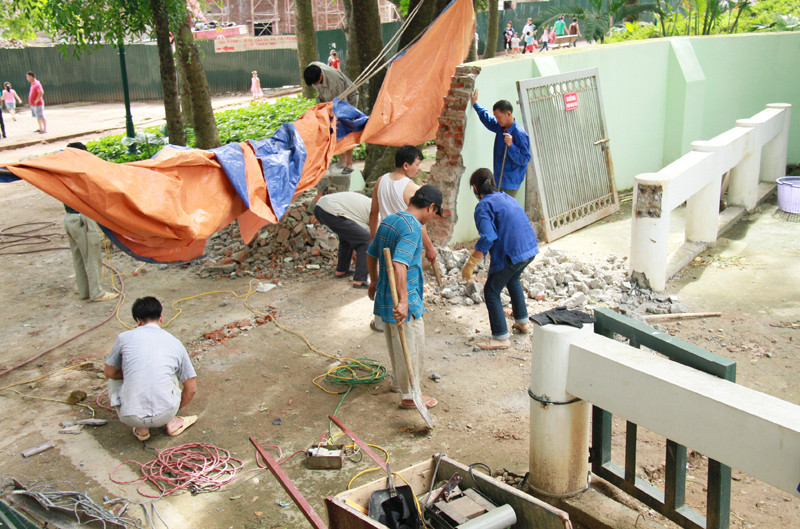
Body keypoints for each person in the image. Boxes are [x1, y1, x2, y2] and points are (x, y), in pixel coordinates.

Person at [367, 185, 443, 409]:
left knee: (396, 342)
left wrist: (373, 281)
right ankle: (411, 395)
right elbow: (399, 264)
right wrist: (404, 302)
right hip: (403, 297)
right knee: (412, 343)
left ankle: (397, 382)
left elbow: (371, 253)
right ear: (431, 207)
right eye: (434, 213)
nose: (431, 218)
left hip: (386, 295)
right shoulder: (412, 228)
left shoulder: (390, 219)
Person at [461, 169, 539, 350]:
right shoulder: (507, 197)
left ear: (474, 187)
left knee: (491, 291)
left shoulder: (483, 206)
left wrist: (470, 264)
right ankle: (522, 321)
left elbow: (488, 237)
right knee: (513, 280)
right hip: (529, 249)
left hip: (512, 253)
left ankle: (501, 337)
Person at [104, 296, 198, 442]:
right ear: (161, 317)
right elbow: (191, 389)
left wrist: (129, 372)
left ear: (138, 320)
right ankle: (172, 422)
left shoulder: (124, 338)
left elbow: (108, 373)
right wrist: (172, 411)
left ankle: (142, 429)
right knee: (169, 372)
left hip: (130, 417)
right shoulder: (174, 342)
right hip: (165, 414)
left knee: (115, 378)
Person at [369, 145, 438, 332]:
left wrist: (373, 239)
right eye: (417, 164)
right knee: (406, 277)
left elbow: (373, 214)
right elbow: (418, 222)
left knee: (384, 277)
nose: (419, 168)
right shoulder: (412, 188)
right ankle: (404, 314)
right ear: (406, 165)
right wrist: (429, 247)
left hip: (386, 232)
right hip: (405, 237)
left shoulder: (380, 181)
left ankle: (380, 322)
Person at [63, 142, 120, 302]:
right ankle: (97, 292)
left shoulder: (64, 171)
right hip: (83, 220)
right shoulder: (82, 173)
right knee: (92, 257)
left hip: (69, 218)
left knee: (79, 257)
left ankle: (85, 291)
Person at [470, 90, 531, 198]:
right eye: (496, 117)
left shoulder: (519, 133)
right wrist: (475, 105)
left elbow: (525, 159)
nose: (497, 120)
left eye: (499, 117)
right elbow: (488, 120)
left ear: (508, 113)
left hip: (510, 183)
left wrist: (511, 146)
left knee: (502, 210)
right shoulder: (501, 126)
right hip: (498, 179)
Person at [303, 62, 358, 174]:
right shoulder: (313, 70)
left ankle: (349, 163)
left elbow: (342, 105)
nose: (315, 85)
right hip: (330, 101)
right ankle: (342, 160)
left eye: (316, 83)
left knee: (345, 129)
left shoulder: (334, 81)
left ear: (321, 76)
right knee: (333, 132)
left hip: (346, 100)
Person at [313, 191, 372, 288]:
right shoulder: (379, 216)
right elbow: (370, 242)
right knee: (366, 240)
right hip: (330, 210)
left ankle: (341, 270)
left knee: (347, 238)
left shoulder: (372, 205)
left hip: (321, 207)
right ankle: (360, 280)